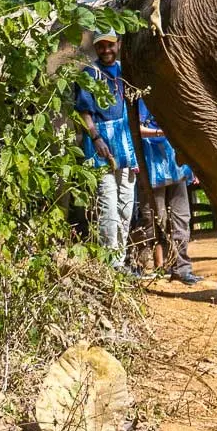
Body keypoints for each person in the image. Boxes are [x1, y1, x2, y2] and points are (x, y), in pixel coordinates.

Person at [73, 30, 140, 276]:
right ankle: (110, 264)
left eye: (110, 45)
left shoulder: (126, 72)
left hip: (125, 146)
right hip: (101, 147)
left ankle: (120, 261)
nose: (106, 50)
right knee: (108, 206)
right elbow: (84, 111)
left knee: (126, 206)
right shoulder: (89, 73)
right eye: (101, 46)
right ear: (96, 48)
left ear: (118, 45)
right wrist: (96, 137)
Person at [136, 101, 203, 285]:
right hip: (152, 165)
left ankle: (181, 268)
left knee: (182, 218)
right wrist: (162, 133)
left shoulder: (175, 100)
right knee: (154, 218)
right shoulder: (143, 100)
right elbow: (136, 128)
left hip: (176, 165)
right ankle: (145, 266)